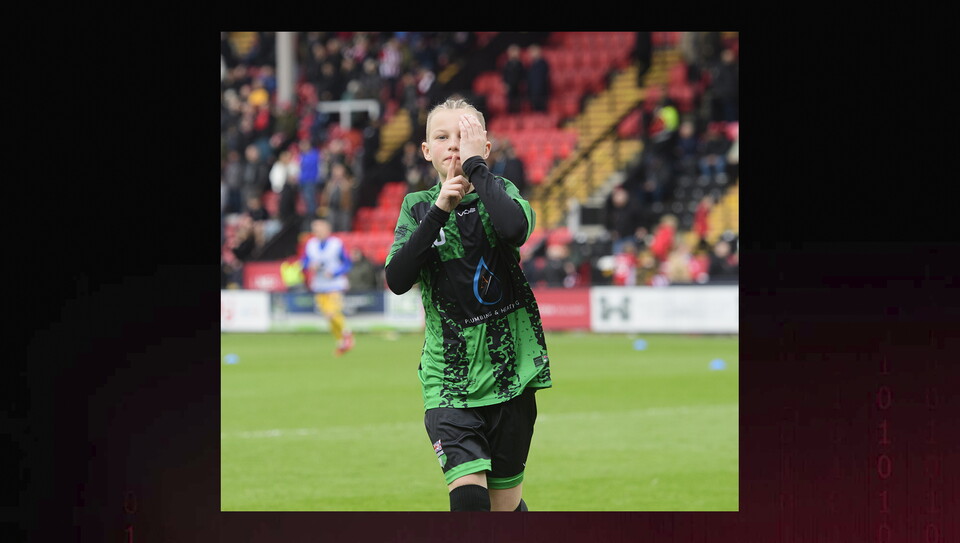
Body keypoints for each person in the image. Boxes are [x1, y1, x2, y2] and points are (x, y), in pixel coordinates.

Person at [384, 98, 552, 512]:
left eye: (465, 137)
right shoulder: (417, 207)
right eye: (442, 137)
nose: (454, 146)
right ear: (427, 151)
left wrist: (477, 169)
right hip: (449, 380)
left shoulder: (504, 194)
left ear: (485, 147)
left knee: (505, 509)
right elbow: (397, 279)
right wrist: (441, 209)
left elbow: (514, 229)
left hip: (510, 376)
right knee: (471, 501)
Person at [301, 218, 355, 356]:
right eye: (315, 230)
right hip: (319, 285)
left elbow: (347, 263)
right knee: (328, 316)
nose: (317, 232)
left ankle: (347, 335)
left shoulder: (336, 244)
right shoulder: (310, 244)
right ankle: (341, 342)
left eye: (319, 229)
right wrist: (309, 266)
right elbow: (304, 262)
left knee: (333, 312)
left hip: (335, 284)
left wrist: (335, 272)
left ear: (327, 229)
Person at [525, 44, 550, 113]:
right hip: (533, 93)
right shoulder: (531, 65)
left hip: (541, 92)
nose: (532, 54)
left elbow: (543, 79)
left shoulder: (543, 63)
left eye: (533, 51)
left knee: (541, 111)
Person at [502, 44, 526, 114]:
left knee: (518, 104)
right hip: (510, 87)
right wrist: (505, 84)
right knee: (510, 103)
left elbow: (523, 76)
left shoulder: (520, 64)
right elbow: (504, 76)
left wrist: (521, 84)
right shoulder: (507, 64)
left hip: (518, 87)